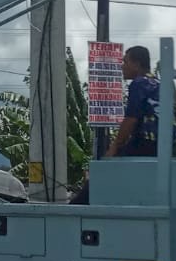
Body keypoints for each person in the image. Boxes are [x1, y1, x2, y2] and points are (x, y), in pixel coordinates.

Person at [69, 45, 162, 205]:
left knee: (106, 171)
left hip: (144, 143)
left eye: (125, 62)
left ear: (137, 64)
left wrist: (113, 148)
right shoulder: (158, 83)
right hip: (162, 145)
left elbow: (130, 120)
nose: (122, 66)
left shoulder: (139, 84)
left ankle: (77, 207)